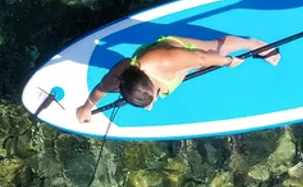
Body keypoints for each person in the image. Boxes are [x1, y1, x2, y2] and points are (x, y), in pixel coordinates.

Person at [74, 33, 279, 121]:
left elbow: (200, 57)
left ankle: (252, 43)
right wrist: (86, 108)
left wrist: (228, 62)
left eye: (152, 98)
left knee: (215, 50)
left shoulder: (167, 61)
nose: (151, 104)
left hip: (182, 52)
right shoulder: (118, 76)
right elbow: (100, 89)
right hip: (165, 76)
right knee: (204, 63)